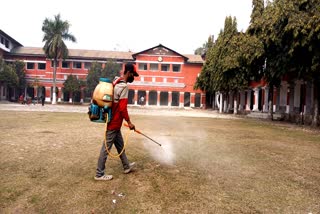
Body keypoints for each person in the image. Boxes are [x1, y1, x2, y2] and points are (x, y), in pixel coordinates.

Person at [94, 62, 139, 181]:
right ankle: (99, 174)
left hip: (114, 121)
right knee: (106, 148)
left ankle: (126, 166)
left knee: (120, 145)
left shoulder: (116, 81)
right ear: (128, 73)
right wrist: (129, 122)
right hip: (114, 122)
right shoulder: (124, 86)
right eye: (133, 75)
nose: (133, 78)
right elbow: (122, 108)